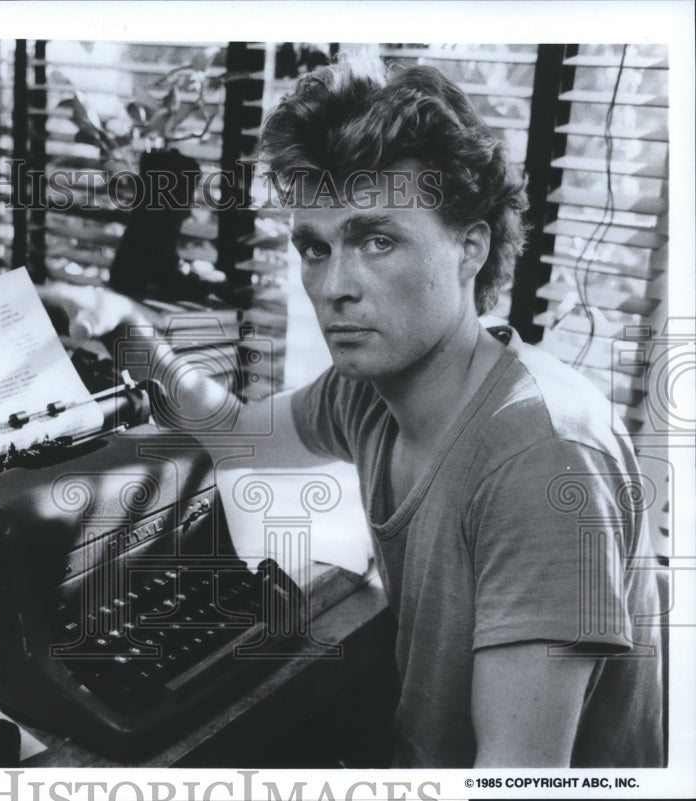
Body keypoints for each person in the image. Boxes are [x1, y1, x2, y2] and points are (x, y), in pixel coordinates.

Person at [40, 62, 664, 768]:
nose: (334, 287)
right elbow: (240, 436)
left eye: (378, 240)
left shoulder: (538, 456)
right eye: (315, 247)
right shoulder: (370, 388)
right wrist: (129, 330)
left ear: (471, 248)